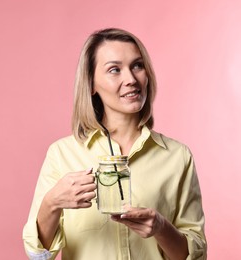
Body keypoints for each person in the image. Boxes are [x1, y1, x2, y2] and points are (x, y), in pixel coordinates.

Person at [22, 28, 207, 260]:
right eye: (114, 70)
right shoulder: (62, 154)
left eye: (137, 66)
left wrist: (161, 228)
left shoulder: (177, 156)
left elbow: (195, 256)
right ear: (91, 84)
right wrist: (51, 203)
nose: (130, 79)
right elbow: (38, 255)